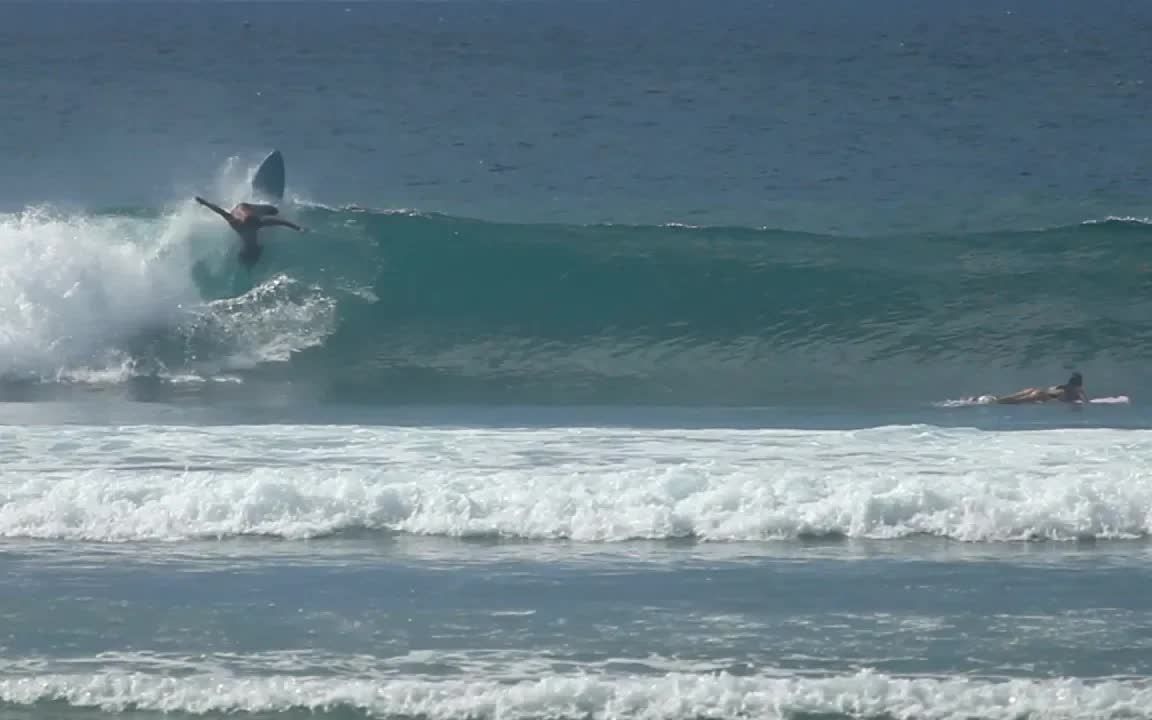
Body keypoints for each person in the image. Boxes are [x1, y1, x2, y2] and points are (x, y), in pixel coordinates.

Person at [195, 196, 304, 268]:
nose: (256, 227)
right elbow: (219, 210)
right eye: (254, 225)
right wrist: (205, 203)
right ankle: (247, 260)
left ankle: (251, 257)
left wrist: (298, 228)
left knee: (274, 210)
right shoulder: (234, 221)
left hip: (252, 209)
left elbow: (280, 222)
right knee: (251, 245)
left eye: (256, 225)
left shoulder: (259, 222)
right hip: (241, 207)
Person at [986, 372, 1087, 404]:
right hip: (1043, 395)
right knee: (1016, 401)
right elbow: (1085, 402)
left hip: (1037, 390)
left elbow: (1052, 388)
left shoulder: (1063, 386)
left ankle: (994, 399)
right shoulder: (1076, 390)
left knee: (1010, 398)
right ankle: (996, 401)